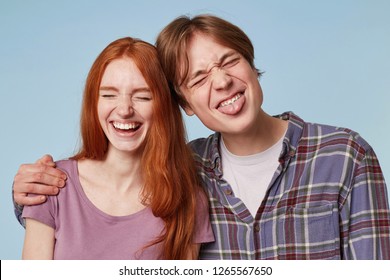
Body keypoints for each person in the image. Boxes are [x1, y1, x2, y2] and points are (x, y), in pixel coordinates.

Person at [13, 15, 389, 260]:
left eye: (228, 62)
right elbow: (105, 198)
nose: (222, 82)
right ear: (186, 105)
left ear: (252, 65)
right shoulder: (183, 171)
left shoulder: (344, 156)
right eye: (198, 78)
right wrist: (32, 197)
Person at [19, 37, 214, 260]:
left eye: (142, 96)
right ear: (94, 103)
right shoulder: (51, 185)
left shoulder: (188, 200)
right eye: (109, 95)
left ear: (165, 107)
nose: (124, 110)